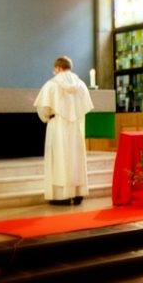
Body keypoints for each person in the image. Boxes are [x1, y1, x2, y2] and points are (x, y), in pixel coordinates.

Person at [34, 56, 94, 206]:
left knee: (59, 158)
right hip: (76, 127)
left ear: (58, 68)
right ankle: (78, 193)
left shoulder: (52, 85)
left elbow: (43, 109)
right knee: (76, 159)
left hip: (58, 125)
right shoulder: (80, 85)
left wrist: (48, 116)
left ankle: (62, 196)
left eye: (55, 69)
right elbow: (84, 107)